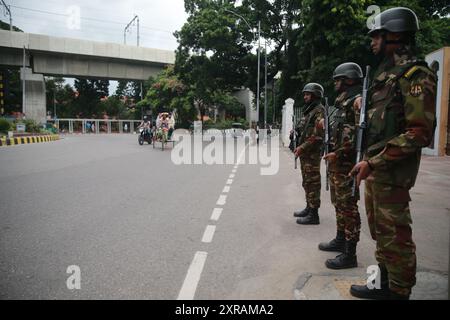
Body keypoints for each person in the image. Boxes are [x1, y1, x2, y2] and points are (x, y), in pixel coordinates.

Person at [348, 7, 437, 300]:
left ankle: (399, 292)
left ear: (395, 35)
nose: (372, 41)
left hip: (392, 171)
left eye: (377, 35)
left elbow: (419, 133)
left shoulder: (416, 75)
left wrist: (374, 161)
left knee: (395, 236)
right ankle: (382, 285)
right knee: (380, 233)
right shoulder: (385, 75)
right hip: (375, 168)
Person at [319, 62, 363, 269]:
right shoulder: (341, 104)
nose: (335, 83)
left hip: (347, 163)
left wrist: (339, 152)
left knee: (349, 208)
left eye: (338, 79)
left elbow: (359, 135)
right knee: (339, 204)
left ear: (349, 80)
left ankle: (350, 253)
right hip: (337, 162)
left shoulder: (357, 102)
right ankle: (340, 239)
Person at [293, 83, 325, 225]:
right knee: (306, 181)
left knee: (313, 182)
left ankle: (314, 214)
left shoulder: (319, 111)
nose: (305, 96)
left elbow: (318, 136)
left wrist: (303, 147)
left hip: (312, 153)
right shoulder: (309, 110)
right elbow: (304, 129)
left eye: (308, 94)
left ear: (315, 95)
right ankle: (309, 207)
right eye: (305, 94)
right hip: (305, 153)